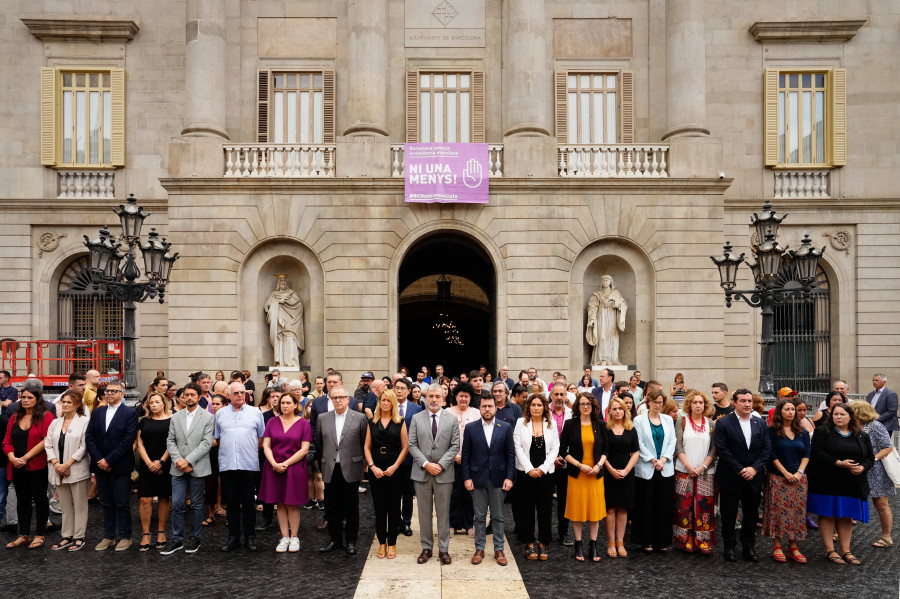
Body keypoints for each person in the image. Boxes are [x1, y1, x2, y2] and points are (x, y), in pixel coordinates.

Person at [807, 402, 875, 565]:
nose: (838, 417)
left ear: (851, 417)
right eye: (835, 414)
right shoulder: (823, 431)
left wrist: (862, 467)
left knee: (846, 516)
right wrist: (839, 463)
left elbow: (870, 458)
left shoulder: (861, 435)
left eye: (842, 414)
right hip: (826, 480)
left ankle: (846, 551)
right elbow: (816, 454)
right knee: (827, 514)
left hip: (852, 481)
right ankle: (830, 550)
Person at [714, 388, 771, 562]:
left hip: (754, 476)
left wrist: (754, 468)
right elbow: (722, 450)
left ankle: (749, 546)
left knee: (751, 512)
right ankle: (729, 547)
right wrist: (740, 469)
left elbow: (766, 449)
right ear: (734, 403)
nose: (747, 404)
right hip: (730, 475)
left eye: (749, 401)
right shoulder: (723, 423)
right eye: (743, 401)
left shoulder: (760, 423)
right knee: (729, 513)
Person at [159, 382, 215, 555]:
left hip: (198, 466)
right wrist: (178, 461)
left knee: (197, 505)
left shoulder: (208, 417)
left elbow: (206, 443)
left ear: (199, 397)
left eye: (192, 395)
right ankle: (177, 540)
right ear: (182, 397)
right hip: (177, 467)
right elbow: (170, 440)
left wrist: (188, 461)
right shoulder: (175, 416)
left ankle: (195, 538)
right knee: (176, 504)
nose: (189, 397)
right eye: (186, 395)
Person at [408, 383, 460, 565]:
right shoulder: (416, 418)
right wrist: (426, 464)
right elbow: (412, 444)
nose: (434, 400)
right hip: (422, 472)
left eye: (438, 396)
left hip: (443, 473)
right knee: (424, 513)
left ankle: (444, 550)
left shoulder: (452, 419)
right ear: (426, 398)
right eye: (431, 396)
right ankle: (427, 547)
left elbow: (455, 445)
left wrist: (440, 464)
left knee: (444, 513)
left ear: (443, 398)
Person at [85, 379, 138, 551]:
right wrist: (100, 459)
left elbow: (128, 440)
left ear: (122, 394)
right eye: (107, 391)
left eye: (113, 391)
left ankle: (125, 536)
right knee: (106, 502)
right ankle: (108, 536)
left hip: (120, 465)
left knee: (122, 502)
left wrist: (109, 460)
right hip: (100, 465)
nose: (109, 393)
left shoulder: (130, 413)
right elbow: (89, 437)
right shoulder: (98, 412)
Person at [462, 394, 515, 566]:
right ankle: (479, 548)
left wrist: (509, 477)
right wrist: (467, 477)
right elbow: (466, 456)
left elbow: (510, 455)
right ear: (480, 408)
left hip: (499, 479)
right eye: (484, 406)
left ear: (495, 407)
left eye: (490, 406)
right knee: (479, 516)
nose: (487, 409)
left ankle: (499, 549)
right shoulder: (471, 428)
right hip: (477, 478)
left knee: (498, 516)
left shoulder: (505, 427)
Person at [316, 384, 368, 555]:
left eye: (341, 397)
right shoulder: (323, 418)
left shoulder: (359, 418)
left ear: (348, 399)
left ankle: (351, 540)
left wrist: (364, 463)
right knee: (331, 506)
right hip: (330, 467)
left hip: (351, 467)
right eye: (334, 397)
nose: (338, 400)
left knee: (352, 506)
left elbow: (363, 443)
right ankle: (335, 539)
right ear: (330, 399)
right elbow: (320, 444)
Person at [216, 381, 266, 552]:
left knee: (248, 502)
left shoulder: (255, 413)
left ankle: (250, 537)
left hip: (249, 463)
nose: (239, 395)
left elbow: (261, 438)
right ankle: (233, 537)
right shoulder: (220, 414)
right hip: (228, 464)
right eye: (236, 393)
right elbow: (219, 438)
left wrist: (249, 450)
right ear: (228, 395)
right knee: (231, 502)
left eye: (242, 392)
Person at [259, 392, 312, 553]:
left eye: (289, 403)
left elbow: (304, 450)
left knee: (292, 503)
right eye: (282, 403)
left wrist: (286, 463)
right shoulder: (272, 422)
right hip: (274, 467)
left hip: (294, 468)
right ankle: (284, 537)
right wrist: (274, 463)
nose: (285, 405)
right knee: (280, 503)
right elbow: (266, 445)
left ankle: (294, 537)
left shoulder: (304, 423)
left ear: (296, 405)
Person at [3, 386, 54, 550]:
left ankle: (39, 534)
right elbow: (6, 441)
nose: (25, 400)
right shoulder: (15, 417)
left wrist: (25, 457)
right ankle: (23, 534)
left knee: (40, 499)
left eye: (29, 397)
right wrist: (12, 457)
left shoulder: (46, 416)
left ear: (37, 399)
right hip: (17, 465)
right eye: (23, 397)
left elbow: (46, 440)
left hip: (37, 465)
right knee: (22, 499)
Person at [560, 392, 608, 562]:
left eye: (588, 404)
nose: (585, 406)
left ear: (593, 406)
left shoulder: (600, 424)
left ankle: (593, 545)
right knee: (577, 510)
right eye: (582, 404)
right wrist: (580, 465)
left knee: (595, 511)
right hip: (577, 474)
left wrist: (598, 465)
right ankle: (578, 544)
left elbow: (605, 450)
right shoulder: (570, 424)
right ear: (577, 406)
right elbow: (562, 451)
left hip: (595, 474)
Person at [762, 398, 811, 564]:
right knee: (778, 512)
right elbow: (772, 454)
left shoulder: (802, 432)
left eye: (793, 409)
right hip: (778, 477)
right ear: (779, 412)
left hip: (799, 478)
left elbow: (806, 454)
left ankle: (794, 546)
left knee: (797, 512)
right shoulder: (772, 431)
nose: (791, 412)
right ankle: (777, 544)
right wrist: (785, 473)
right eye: (787, 409)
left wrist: (799, 472)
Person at [363, 389, 408, 559]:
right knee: (379, 507)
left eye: (389, 400)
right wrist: (372, 466)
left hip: (394, 468)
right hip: (376, 468)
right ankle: (382, 542)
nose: (386, 403)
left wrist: (395, 466)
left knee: (394, 507)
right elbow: (367, 447)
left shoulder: (400, 421)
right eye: (383, 400)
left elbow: (405, 447)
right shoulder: (372, 422)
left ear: (393, 403)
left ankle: (393, 543)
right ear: (379, 402)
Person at [514, 393, 560, 561]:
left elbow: (555, 448)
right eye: (533, 405)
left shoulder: (551, 424)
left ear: (544, 407)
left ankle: (543, 543)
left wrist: (542, 469)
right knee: (526, 509)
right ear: (529, 407)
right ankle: (529, 543)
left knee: (545, 509)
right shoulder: (521, 423)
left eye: (539, 405)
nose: (536, 408)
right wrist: (529, 469)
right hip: (525, 472)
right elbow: (517, 447)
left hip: (545, 473)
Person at [44, 391, 90, 551]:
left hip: (76, 469)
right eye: (63, 402)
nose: (64, 405)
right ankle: (67, 535)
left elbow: (84, 446)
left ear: (77, 405)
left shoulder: (84, 422)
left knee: (79, 504)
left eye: (68, 402)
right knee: (65, 505)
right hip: (58, 469)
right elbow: (48, 444)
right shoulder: (55, 423)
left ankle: (79, 536)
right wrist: (57, 464)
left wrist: (67, 464)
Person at [673, 390, 716, 555]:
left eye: (701, 403)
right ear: (689, 405)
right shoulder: (682, 421)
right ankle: (685, 540)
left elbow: (714, 449)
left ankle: (703, 540)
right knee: (684, 506)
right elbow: (678, 446)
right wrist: (689, 466)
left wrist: (702, 467)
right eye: (695, 402)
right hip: (684, 470)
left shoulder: (711, 424)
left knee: (704, 507)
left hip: (706, 472)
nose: (698, 405)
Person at [632, 390, 676, 553]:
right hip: (646, 467)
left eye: (660, 402)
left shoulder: (668, 419)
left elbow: (672, 441)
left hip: (665, 468)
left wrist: (663, 459)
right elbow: (639, 443)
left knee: (663, 506)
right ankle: (645, 540)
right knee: (645, 505)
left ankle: (662, 540)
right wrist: (652, 459)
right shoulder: (639, 420)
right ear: (648, 402)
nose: (658, 405)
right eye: (655, 402)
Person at [848, 401, 894, 549]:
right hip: (853, 468)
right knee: (848, 500)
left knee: (880, 504)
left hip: (876, 470)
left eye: (851, 411)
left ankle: (886, 536)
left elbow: (888, 447)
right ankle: (839, 531)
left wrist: (872, 459)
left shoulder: (876, 426)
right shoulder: (850, 426)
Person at [602, 396, 638, 558]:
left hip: (626, 473)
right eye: (614, 408)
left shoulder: (631, 429)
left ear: (625, 411)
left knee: (623, 508)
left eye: (620, 408)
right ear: (609, 411)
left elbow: (635, 452)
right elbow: (602, 453)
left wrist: (626, 470)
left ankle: (620, 542)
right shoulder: (605, 429)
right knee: (610, 508)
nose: (618, 411)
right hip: (609, 472)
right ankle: (611, 542)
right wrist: (611, 470)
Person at [137, 393, 172, 551]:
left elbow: (173, 442)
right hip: (147, 464)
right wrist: (149, 463)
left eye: (157, 402)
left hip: (165, 464)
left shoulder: (172, 421)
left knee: (164, 497)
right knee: (145, 499)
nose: (154, 405)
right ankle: (145, 533)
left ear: (163, 403)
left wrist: (161, 462)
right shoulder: (144, 421)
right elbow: (139, 443)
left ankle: (161, 532)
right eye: (151, 402)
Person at [448, 382, 480, 536]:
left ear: (470, 397)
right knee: (453, 494)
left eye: (466, 396)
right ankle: (452, 524)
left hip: (471, 461)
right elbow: (443, 437)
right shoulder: (447, 412)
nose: (463, 399)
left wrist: (467, 457)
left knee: (469, 493)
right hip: (451, 460)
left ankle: (469, 524)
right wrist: (454, 455)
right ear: (456, 396)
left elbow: (479, 438)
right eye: (461, 396)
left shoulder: (476, 413)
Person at [391, 377, 421, 537]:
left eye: (403, 388)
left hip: (410, 458)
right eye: (397, 388)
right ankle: (395, 522)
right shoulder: (388, 407)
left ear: (409, 391)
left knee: (408, 493)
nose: (399, 391)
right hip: (392, 458)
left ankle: (407, 522)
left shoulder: (416, 409)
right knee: (394, 493)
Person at [204, 394, 227, 525]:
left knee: (227, 483)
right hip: (210, 453)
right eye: (213, 404)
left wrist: (218, 442)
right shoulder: (207, 419)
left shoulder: (228, 419)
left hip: (225, 452)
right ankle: (211, 514)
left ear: (224, 405)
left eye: (218, 404)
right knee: (211, 483)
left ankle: (228, 514)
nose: (214, 406)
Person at [867, 374, 898, 438]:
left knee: (883, 446)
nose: (874, 382)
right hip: (870, 425)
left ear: (884, 382)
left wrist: (876, 419)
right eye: (873, 380)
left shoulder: (891, 394)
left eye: (877, 380)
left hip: (885, 425)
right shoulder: (870, 394)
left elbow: (892, 411)